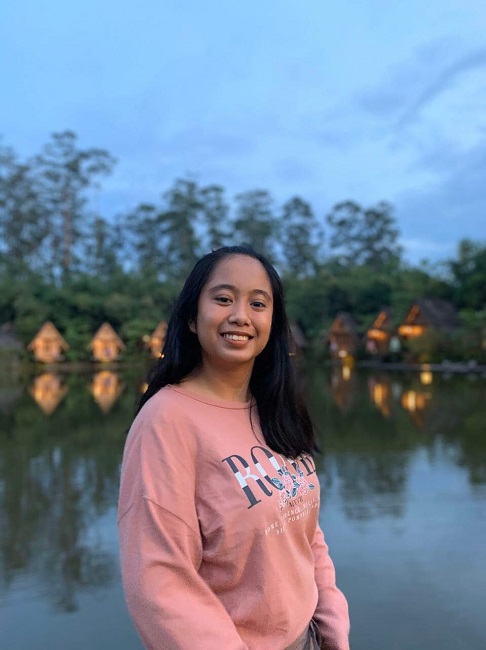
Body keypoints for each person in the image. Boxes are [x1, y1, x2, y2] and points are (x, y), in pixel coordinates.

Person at [118, 245, 350, 650]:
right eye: (223, 299)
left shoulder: (275, 407)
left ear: (273, 321)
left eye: (258, 303)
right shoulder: (167, 421)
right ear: (192, 317)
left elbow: (304, 531)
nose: (241, 315)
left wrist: (332, 627)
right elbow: (160, 582)